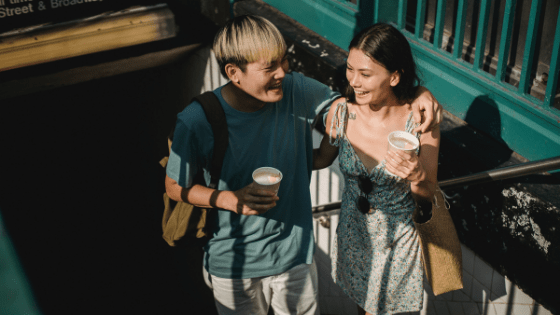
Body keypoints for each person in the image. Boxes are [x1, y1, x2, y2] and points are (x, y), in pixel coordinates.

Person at [165, 15, 441, 315]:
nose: (283, 72)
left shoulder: (295, 88)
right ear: (234, 72)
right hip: (233, 262)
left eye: (284, 62)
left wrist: (418, 94)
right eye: (270, 67)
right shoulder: (196, 121)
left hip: (295, 255)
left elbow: (344, 104)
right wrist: (229, 199)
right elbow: (175, 186)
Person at [313, 23, 441, 315]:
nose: (354, 82)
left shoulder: (420, 122)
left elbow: (426, 196)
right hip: (354, 234)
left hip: (397, 240)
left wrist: (417, 175)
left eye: (366, 74)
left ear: (395, 77)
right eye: (350, 69)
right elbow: (321, 158)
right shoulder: (342, 113)